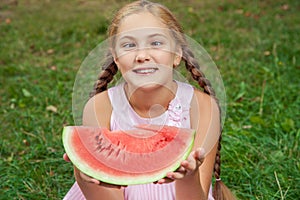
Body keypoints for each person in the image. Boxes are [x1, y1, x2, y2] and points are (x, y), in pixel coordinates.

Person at [63, 0, 236, 199]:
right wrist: (83, 174)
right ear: (116, 58)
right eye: (129, 45)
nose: (142, 55)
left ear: (177, 53)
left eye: (156, 43)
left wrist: (189, 176)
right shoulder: (100, 107)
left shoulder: (203, 108)